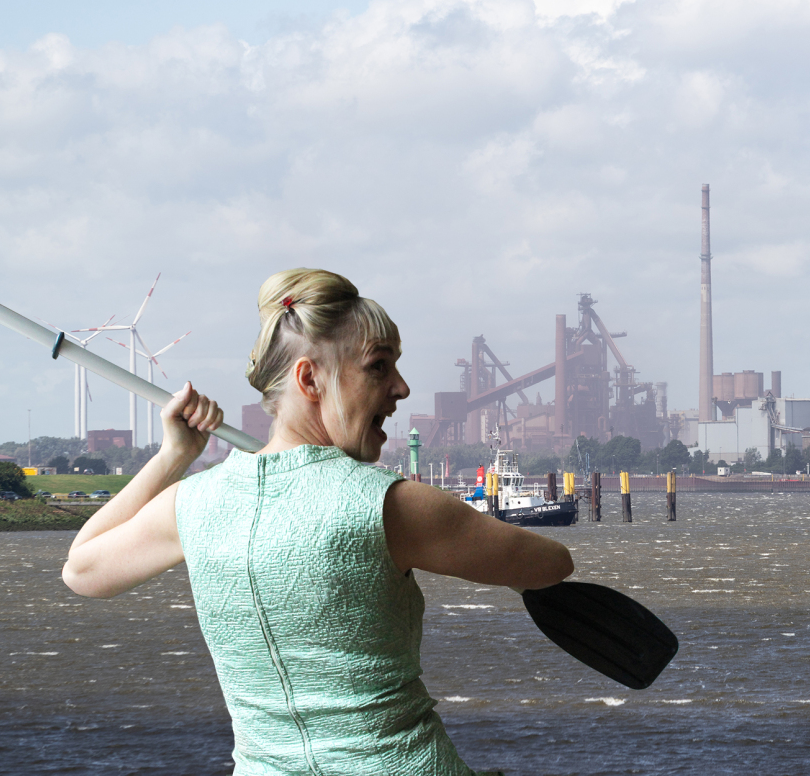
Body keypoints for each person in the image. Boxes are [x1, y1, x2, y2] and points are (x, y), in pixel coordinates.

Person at [62, 268, 574, 775]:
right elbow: (551, 563)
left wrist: (173, 456)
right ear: (310, 378)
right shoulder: (391, 505)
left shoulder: (192, 504)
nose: (402, 388)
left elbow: (81, 571)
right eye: (379, 367)